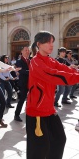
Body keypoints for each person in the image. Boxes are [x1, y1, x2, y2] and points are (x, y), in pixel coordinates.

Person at [26, 31, 79, 159]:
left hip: (49, 110)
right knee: (38, 149)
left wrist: (75, 70)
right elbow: (54, 74)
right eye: (48, 42)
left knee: (59, 139)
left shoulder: (49, 60)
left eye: (52, 42)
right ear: (39, 44)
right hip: (36, 112)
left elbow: (63, 68)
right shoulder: (35, 62)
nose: (52, 45)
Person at [14, 46, 30, 122]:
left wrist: (25, 70)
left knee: (31, 99)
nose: (27, 51)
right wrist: (30, 71)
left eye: (28, 50)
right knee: (22, 99)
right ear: (22, 52)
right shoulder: (19, 61)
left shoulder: (30, 60)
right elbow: (21, 71)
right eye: (25, 50)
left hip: (30, 82)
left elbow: (24, 70)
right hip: (23, 83)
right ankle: (16, 115)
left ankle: (29, 112)